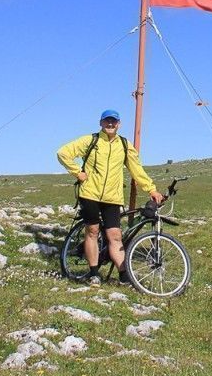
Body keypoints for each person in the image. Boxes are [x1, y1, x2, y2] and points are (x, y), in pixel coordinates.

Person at [56, 109, 164, 285]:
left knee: (115, 235)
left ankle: (124, 275)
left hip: (112, 198)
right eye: (107, 121)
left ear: (119, 124)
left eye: (114, 121)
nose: (110, 124)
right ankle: (93, 273)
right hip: (90, 194)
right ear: (101, 123)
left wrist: (151, 190)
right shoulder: (91, 140)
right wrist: (78, 173)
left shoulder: (124, 145)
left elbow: (137, 170)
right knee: (92, 231)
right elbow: (63, 153)